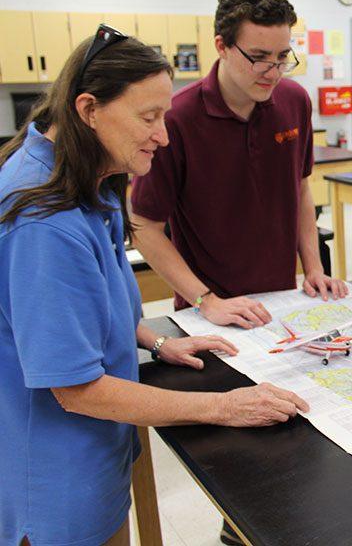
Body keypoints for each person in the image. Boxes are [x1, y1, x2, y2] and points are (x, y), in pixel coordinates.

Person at [0, 27, 308, 546]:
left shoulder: (82, 177)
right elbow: (74, 387)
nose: (163, 136)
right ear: (88, 109)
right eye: (149, 117)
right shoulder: (44, 222)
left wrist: (155, 340)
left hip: (93, 456)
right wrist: (224, 407)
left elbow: (82, 305)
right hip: (54, 479)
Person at [131, 0, 346, 332]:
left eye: (282, 57)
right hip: (210, 312)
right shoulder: (177, 119)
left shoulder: (294, 102)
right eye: (259, 58)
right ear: (223, 46)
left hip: (281, 302)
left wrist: (314, 269)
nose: (273, 72)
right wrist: (206, 301)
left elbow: (301, 189)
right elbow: (144, 227)